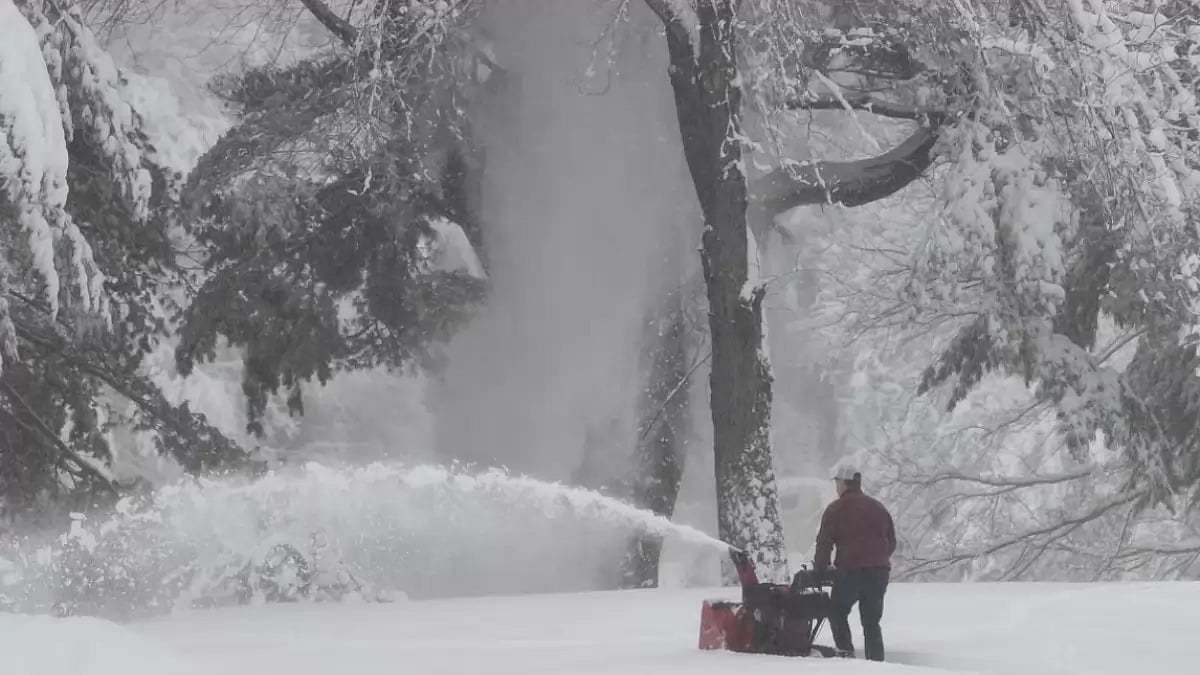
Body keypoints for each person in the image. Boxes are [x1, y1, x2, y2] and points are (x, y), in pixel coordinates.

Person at [812, 462, 896, 662]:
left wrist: (820, 569)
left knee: (837, 611)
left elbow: (824, 543)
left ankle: (846, 656)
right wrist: (877, 559)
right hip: (878, 572)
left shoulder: (836, 509)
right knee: (871, 621)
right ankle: (876, 662)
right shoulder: (878, 507)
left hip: (851, 571)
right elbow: (891, 542)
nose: (836, 486)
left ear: (844, 483)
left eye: (837, 482)